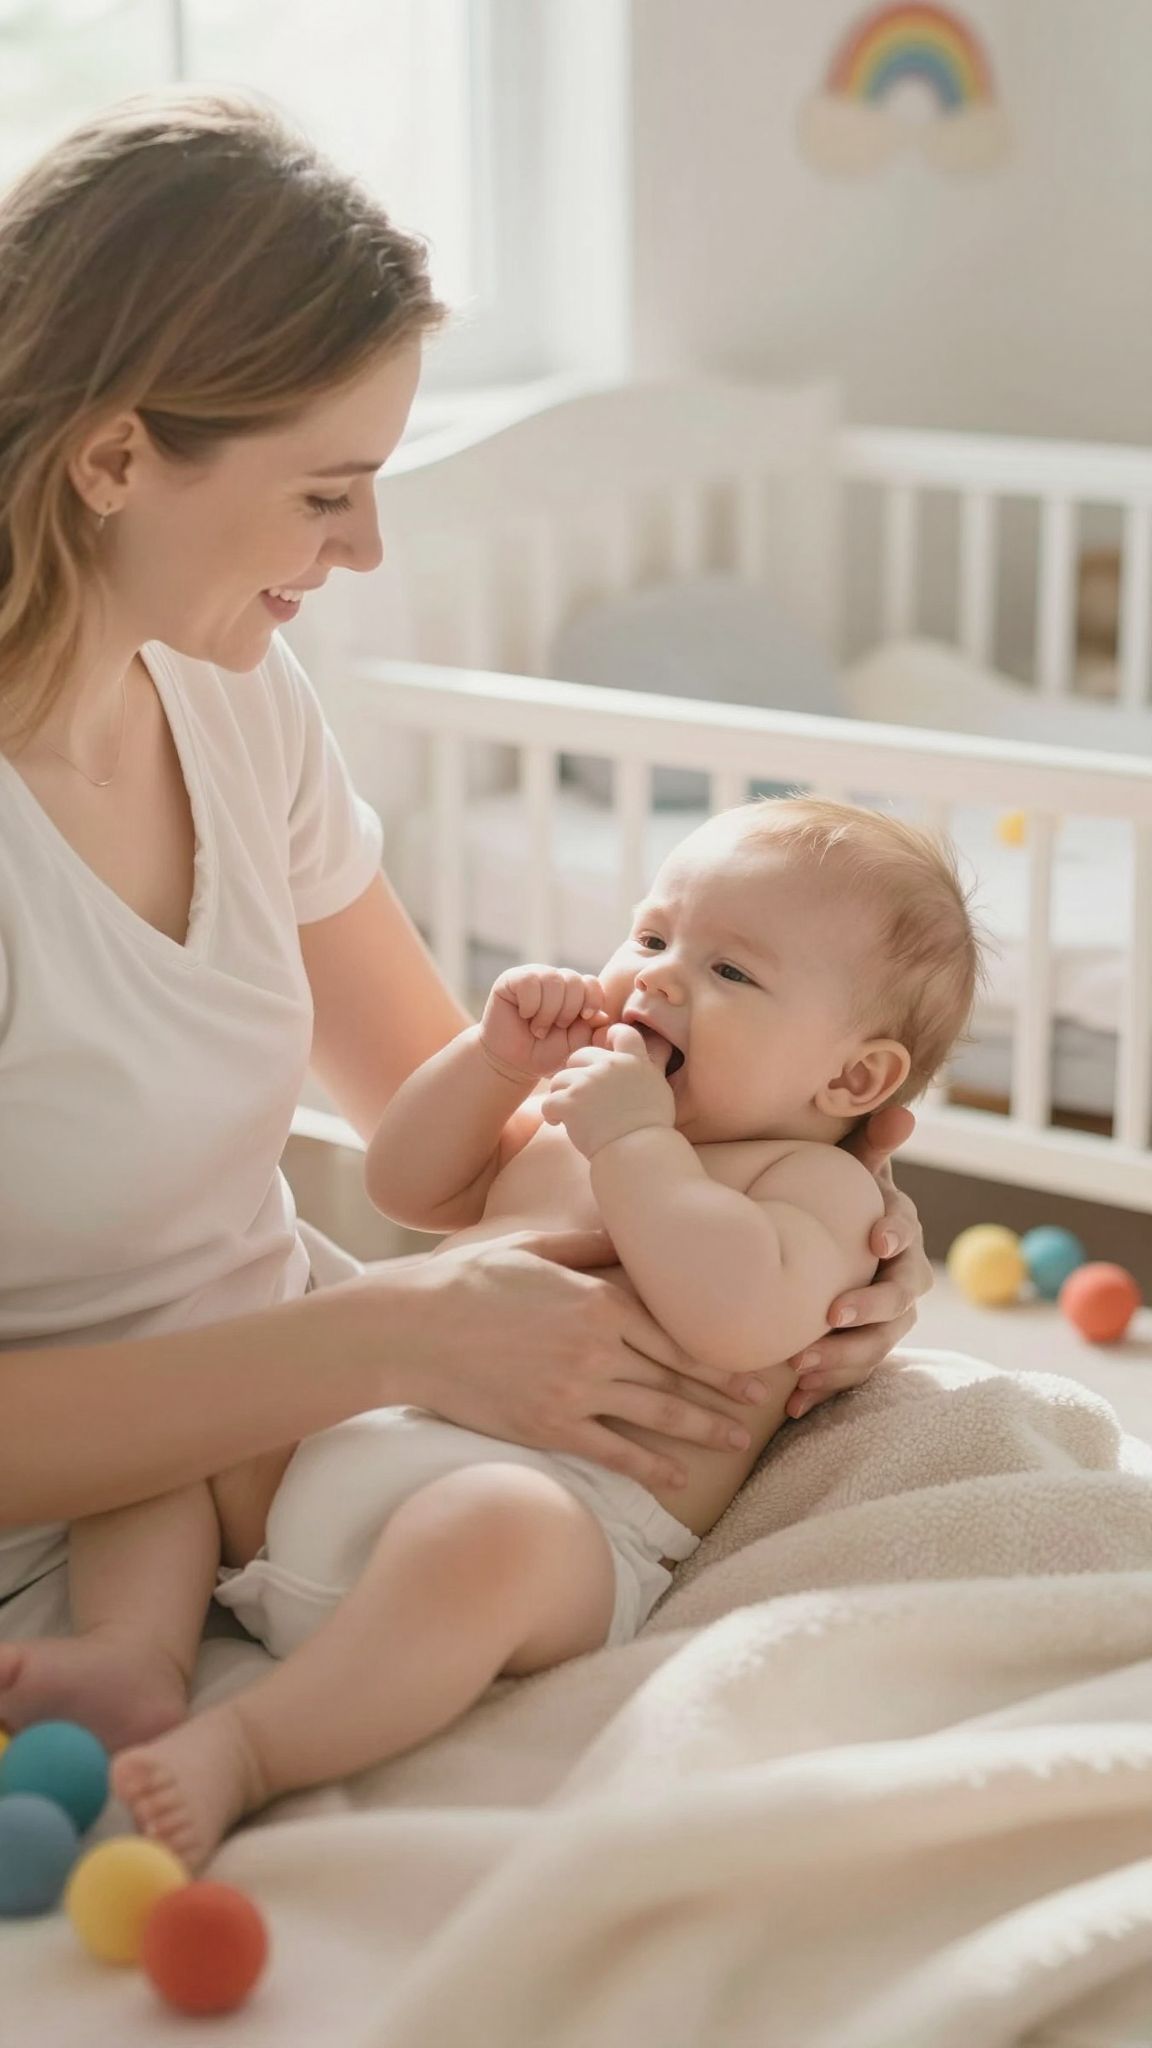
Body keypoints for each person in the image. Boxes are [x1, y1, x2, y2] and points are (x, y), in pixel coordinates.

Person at [0, 93, 930, 1740]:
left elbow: (451, 1123)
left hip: (298, 1402)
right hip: (108, 1499)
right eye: (323, 493)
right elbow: (402, 1294)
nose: (364, 548)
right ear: (114, 455)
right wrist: (390, 1334)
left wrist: (804, 1221)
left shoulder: (230, 695)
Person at [55, 796, 977, 1872]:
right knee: (179, 1420)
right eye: (650, 935)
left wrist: (634, 1143)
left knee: (486, 1530)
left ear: (853, 1078)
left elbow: (733, 1317)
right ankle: (131, 1654)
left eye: (731, 972)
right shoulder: (570, 1116)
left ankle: (250, 1749)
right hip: (347, 1439)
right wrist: (493, 1063)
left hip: (564, 1513)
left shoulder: (809, 1182)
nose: (660, 978)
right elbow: (409, 1183)